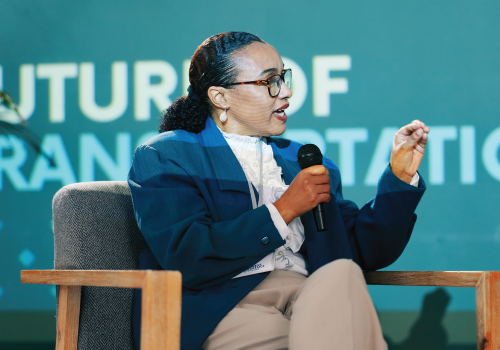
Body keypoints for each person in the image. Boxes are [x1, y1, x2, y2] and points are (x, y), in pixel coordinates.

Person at [128, 31, 429, 350]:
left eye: (284, 78)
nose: (285, 92)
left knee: (342, 272)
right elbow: (189, 254)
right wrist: (285, 209)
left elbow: (363, 248)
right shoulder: (169, 154)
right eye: (269, 81)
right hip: (224, 307)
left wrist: (400, 174)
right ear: (221, 97)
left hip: (311, 296)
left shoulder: (301, 158)